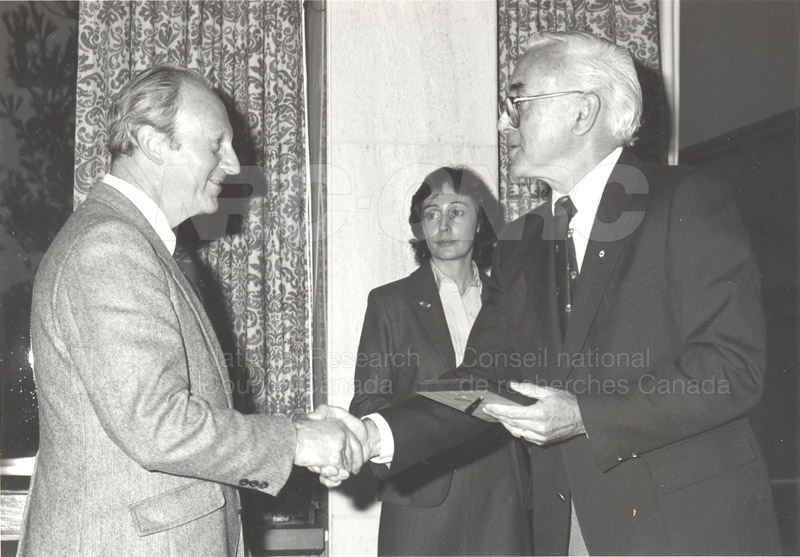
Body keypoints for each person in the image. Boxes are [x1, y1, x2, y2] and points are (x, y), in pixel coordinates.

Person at [318, 31, 782, 555]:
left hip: (686, 530)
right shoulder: (521, 242)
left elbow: (730, 368)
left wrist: (586, 414)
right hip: (568, 533)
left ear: (582, 112)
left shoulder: (685, 200)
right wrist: (376, 434)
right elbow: (482, 380)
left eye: (517, 101)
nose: (502, 122)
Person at [19, 64, 363, 556]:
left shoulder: (133, 244)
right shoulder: (109, 246)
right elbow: (159, 425)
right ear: (155, 143)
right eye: (216, 144)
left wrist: (298, 433)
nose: (233, 162)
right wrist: (298, 441)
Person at [349, 167, 531, 556]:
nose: (444, 225)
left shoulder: (512, 302)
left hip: (502, 500)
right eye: (432, 213)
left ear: (481, 222)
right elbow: (367, 404)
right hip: (421, 499)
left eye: (457, 212)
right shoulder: (390, 303)